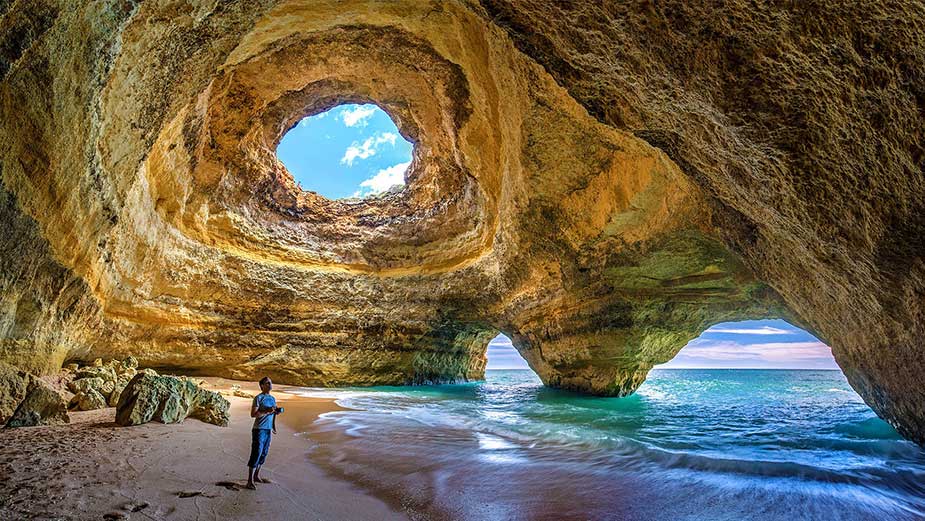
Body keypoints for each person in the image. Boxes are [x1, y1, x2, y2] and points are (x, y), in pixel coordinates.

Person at [246, 376, 282, 489]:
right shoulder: (258, 398)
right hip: (259, 429)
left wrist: (274, 424)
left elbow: (273, 414)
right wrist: (266, 411)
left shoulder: (272, 398)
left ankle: (257, 475)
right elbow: (253, 414)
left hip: (268, 429)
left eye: (270, 382)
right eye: (267, 383)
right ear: (262, 386)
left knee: (264, 453)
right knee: (256, 453)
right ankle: (249, 480)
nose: (270, 385)